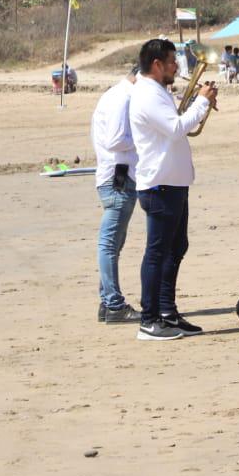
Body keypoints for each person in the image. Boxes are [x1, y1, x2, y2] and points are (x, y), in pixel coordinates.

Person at [129, 38, 216, 341]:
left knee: (176, 247)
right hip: (160, 183)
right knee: (157, 252)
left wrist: (200, 106)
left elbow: (182, 128)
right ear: (157, 65)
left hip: (173, 181)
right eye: (172, 61)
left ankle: (167, 312)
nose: (177, 67)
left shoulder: (157, 91)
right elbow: (178, 128)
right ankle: (149, 319)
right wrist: (201, 101)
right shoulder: (146, 94)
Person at [92, 66, 141, 323]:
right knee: (110, 244)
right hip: (117, 177)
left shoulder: (117, 95)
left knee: (114, 244)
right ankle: (113, 304)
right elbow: (114, 140)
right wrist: (145, 136)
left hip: (115, 175)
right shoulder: (122, 97)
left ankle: (107, 301)